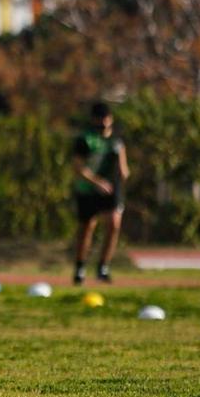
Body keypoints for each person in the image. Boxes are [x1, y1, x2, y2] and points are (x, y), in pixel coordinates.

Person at [72, 100, 128, 285]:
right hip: (88, 189)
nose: (103, 122)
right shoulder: (85, 139)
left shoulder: (116, 140)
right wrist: (96, 182)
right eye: (100, 119)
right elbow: (78, 168)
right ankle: (80, 267)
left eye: (106, 118)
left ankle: (103, 267)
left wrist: (123, 174)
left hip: (112, 189)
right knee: (87, 228)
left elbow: (123, 167)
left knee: (114, 223)